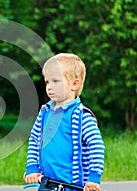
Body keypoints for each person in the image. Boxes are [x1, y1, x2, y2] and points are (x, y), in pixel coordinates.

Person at [24, 53, 105, 191]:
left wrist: (94, 177)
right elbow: (34, 140)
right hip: (46, 183)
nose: (49, 87)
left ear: (75, 84)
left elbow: (96, 146)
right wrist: (32, 167)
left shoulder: (82, 116)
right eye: (47, 82)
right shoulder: (44, 113)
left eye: (55, 81)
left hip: (72, 186)